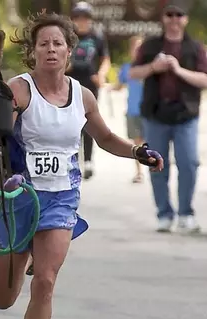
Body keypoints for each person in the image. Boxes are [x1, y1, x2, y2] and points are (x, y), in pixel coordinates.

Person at [0, 11, 163, 319]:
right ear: (32, 52)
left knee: (46, 283)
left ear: (70, 51)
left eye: (58, 44)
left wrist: (137, 151)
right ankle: (25, 255)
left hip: (61, 199)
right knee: (4, 298)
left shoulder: (81, 95)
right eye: (43, 44)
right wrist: (2, 116)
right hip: (17, 196)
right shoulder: (20, 90)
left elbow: (105, 138)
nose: (51, 49)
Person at [129, 0, 207, 234]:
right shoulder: (151, 46)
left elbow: (204, 79)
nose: (174, 20)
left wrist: (177, 69)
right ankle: (164, 214)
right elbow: (133, 73)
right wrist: (154, 68)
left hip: (186, 114)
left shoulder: (195, 48)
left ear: (185, 20)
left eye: (179, 15)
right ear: (164, 18)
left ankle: (185, 213)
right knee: (156, 164)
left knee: (189, 163)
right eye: (170, 15)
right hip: (156, 114)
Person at [65, 1, 111, 180]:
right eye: (78, 17)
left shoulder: (97, 36)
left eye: (85, 18)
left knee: (89, 120)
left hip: (90, 83)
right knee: (71, 122)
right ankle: (73, 159)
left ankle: (89, 160)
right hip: (70, 82)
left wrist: (101, 74)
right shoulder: (68, 36)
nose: (82, 21)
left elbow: (105, 59)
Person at [114, 35, 145, 183]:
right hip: (133, 110)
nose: (137, 51)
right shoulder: (126, 68)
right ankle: (139, 172)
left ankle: (156, 166)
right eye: (135, 48)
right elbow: (119, 85)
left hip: (150, 111)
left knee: (152, 141)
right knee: (137, 142)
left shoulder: (150, 68)